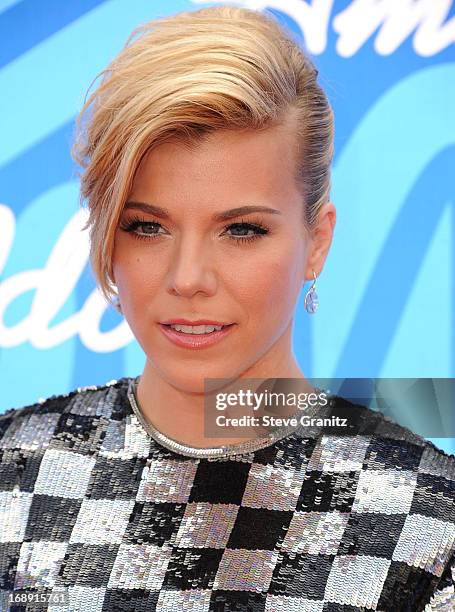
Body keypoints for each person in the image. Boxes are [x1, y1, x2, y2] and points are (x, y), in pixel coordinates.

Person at [0, 6, 454, 611]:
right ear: (107, 237)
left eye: (240, 230)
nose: (188, 279)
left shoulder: (428, 520)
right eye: (146, 227)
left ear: (316, 240)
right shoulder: (14, 473)